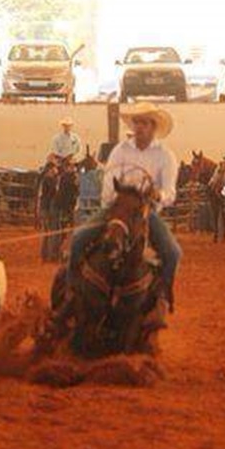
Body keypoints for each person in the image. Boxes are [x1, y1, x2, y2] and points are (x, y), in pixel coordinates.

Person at [68, 102, 181, 306]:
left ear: (153, 126)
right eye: (136, 122)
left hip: (144, 212)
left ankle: (163, 295)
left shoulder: (165, 156)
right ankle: (71, 288)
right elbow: (108, 182)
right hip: (117, 208)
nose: (139, 127)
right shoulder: (120, 150)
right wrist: (112, 203)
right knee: (78, 238)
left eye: (144, 123)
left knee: (172, 253)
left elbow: (170, 192)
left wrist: (159, 195)